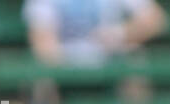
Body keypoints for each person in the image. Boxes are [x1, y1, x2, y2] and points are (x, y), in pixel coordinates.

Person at [25, 0, 166, 65]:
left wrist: (118, 34)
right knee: (43, 65)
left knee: (135, 56)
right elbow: (42, 40)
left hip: (110, 53)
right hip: (65, 56)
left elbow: (155, 20)